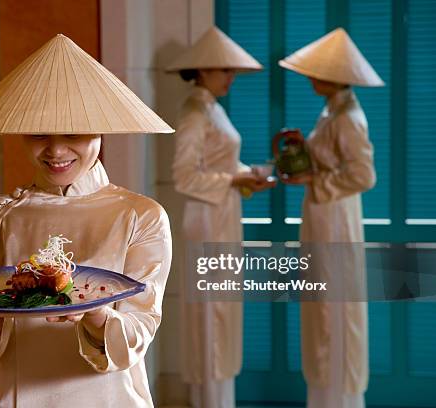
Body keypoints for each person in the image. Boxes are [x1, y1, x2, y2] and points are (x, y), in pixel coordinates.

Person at [0, 34, 174, 408]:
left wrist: (96, 313)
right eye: (38, 134)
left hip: (110, 397)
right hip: (16, 396)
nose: (54, 151)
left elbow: (139, 331)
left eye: (72, 133)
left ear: (102, 129)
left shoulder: (141, 216)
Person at [166, 26, 276, 408]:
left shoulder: (212, 107)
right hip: (207, 216)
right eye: (224, 71)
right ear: (202, 70)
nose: (231, 78)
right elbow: (184, 175)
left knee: (222, 308)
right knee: (213, 310)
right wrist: (235, 178)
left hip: (223, 211)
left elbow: (221, 164)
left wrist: (249, 176)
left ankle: (217, 399)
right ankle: (211, 401)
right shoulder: (195, 109)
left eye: (231, 71)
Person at [279, 27, 383, 408]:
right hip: (322, 215)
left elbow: (364, 175)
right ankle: (323, 393)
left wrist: (315, 179)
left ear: (332, 76)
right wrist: (305, 149)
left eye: (315, 72)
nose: (309, 79)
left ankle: (339, 396)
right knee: (322, 305)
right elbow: (334, 160)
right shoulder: (333, 111)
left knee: (335, 308)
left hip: (337, 218)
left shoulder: (349, 117)